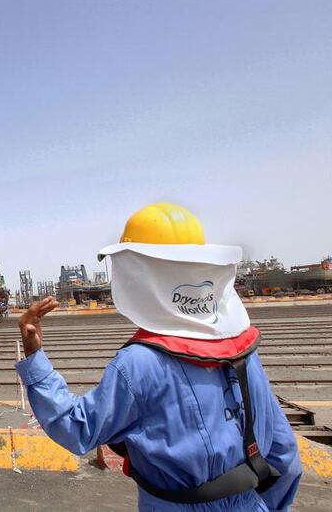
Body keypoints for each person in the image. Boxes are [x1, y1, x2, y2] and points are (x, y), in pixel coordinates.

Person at [16, 202, 301, 511]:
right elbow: (286, 458)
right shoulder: (243, 349)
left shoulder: (139, 365)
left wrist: (35, 357)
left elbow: (77, 428)